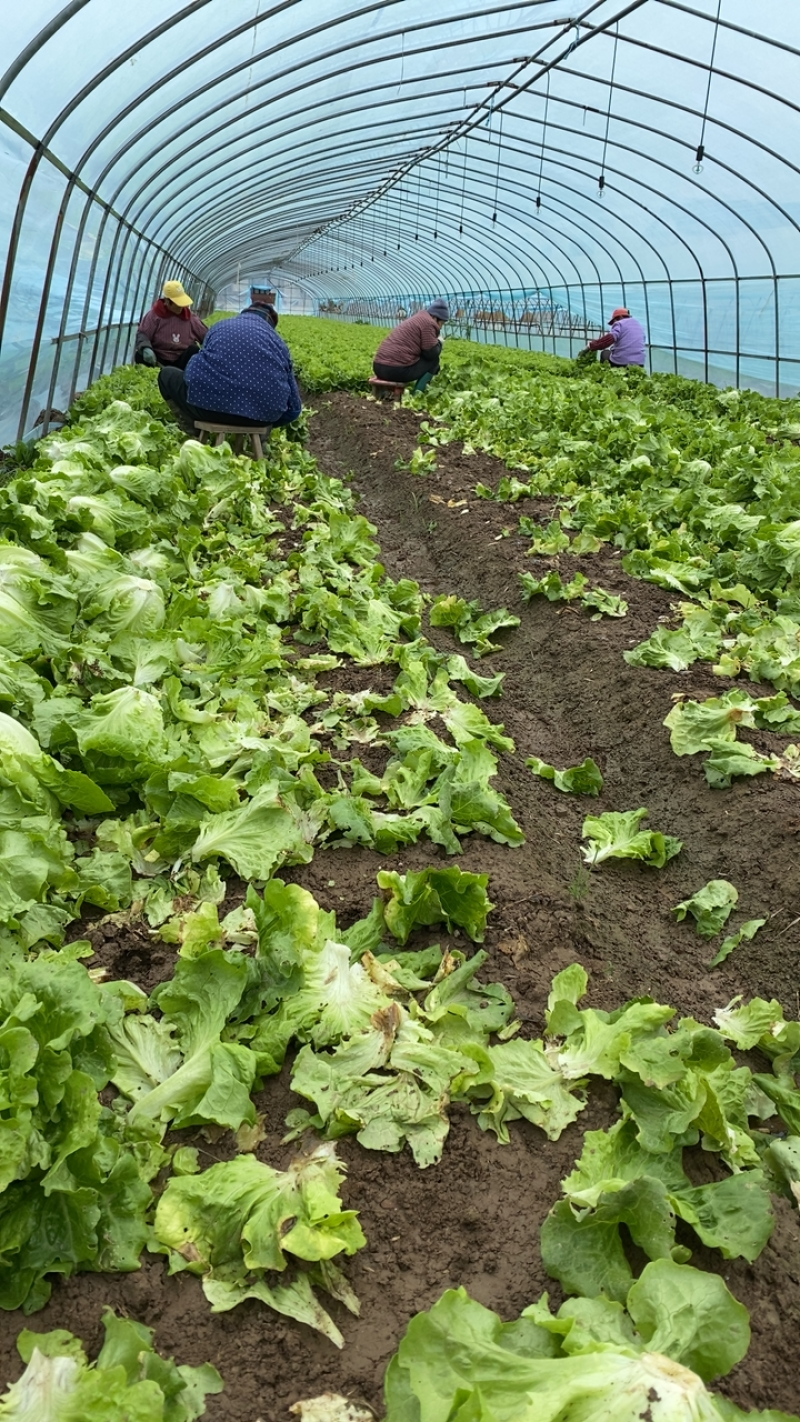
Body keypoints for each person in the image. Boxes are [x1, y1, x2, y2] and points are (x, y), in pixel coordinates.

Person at [157, 300, 301, 436]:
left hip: (209, 410)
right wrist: (267, 420)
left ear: (243, 314)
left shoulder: (221, 326)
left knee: (167, 374)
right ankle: (260, 438)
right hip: (259, 419)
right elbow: (294, 409)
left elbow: (190, 375)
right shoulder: (278, 342)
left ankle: (191, 428)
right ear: (270, 324)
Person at [373, 299, 449, 392]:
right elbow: (431, 353)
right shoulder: (428, 323)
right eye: (441, 323)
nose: (440, 327)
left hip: (378, 367)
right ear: (435, 318)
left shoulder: (417, 318)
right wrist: (439, 343)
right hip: (394, 370)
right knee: (434, 361)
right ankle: (417, 395)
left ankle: (385, 392)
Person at [134, 280, 209, 369]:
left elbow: (207, 336)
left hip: (181, 361)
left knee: (194, 350)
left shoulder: (190, 318)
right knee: (139, 356)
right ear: (167, 301)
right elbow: (143, 334)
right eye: (177, 304)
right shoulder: (154, 315)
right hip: (158, 360)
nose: (180, 307)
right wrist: (146, 347)